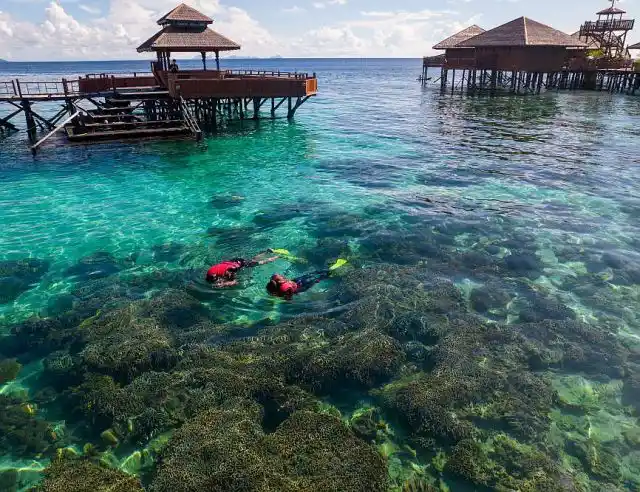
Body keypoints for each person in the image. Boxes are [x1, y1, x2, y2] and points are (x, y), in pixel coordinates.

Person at [266, 260, 347, 300]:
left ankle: (330, 272)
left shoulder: (282, 287)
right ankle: (329, 271)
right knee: (314, 276)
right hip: (299, 283)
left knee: (315, 276)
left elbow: (289, 295)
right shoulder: (281, 283)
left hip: (299, 284)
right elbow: (275, 274)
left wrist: (288, 299)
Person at [206, 250, 278, 288]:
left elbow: (235, 282)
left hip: (239, 263)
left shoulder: (231, 270)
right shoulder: (211, 272)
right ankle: (266, 252)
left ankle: (274, 258)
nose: (219, 280)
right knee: (253, 259)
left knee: (257, 263)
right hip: (232, 261)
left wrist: (224, 284)